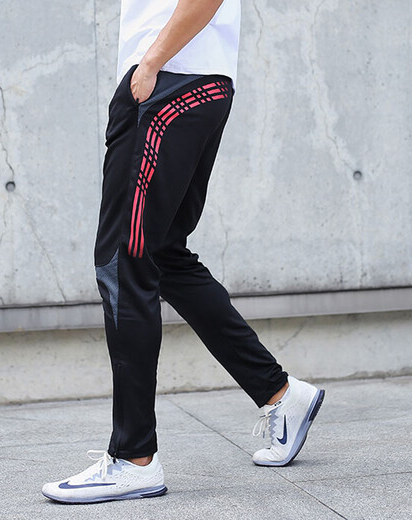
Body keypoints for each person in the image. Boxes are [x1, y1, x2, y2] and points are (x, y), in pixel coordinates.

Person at [42, 0, 325, 504]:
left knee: (123, 262)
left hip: (168, 80)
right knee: (163, 255)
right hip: (199, 82)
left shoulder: (160, 68)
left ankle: (133, 458)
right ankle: (279, 393)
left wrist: (151, 63)